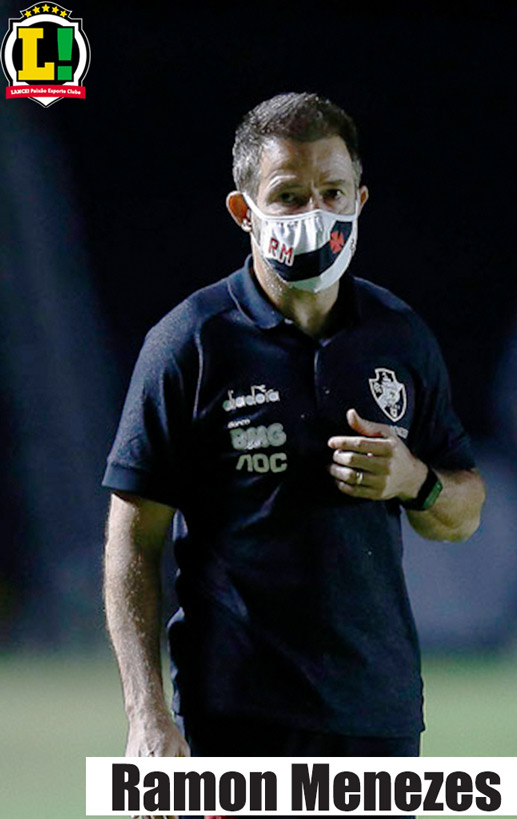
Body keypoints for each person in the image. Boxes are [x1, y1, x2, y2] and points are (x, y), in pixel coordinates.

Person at [102, 91, 486, 817]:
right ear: (243, 211)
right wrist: (145, 711)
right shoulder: (190, 343)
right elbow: (133, 537)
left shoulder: (400, 337)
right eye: (289, 194)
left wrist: (416, 481)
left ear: (360, 198)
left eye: (332, 191)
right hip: (234, 724)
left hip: (379, 719)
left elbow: (463, 509)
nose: (315, 211)